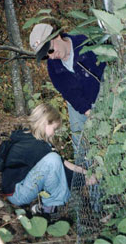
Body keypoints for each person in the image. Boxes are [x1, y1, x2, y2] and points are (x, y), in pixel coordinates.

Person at [1, 103, 96, 214]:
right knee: (53, 160)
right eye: (54, 129)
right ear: (45, 122)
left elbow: (62, 163)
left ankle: (43, 208)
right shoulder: (35, 146)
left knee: (54, 159)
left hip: (18, 189)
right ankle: (49, 209)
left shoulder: (32, 139)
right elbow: (59, 171)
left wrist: (86, 172)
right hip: (18, 194)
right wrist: (83, 180)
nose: (54, 133)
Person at [29, 23, 106, 156]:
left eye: (50, 50)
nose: (51, 57)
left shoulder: (84, 42)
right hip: (78, 106)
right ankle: (83, 173)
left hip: (103, 95)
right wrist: (87, 112)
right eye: (46, 56)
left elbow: (105, 69)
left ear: (57, 36)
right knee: (81, 144)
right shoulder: (53, 67)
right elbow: (69, 92)